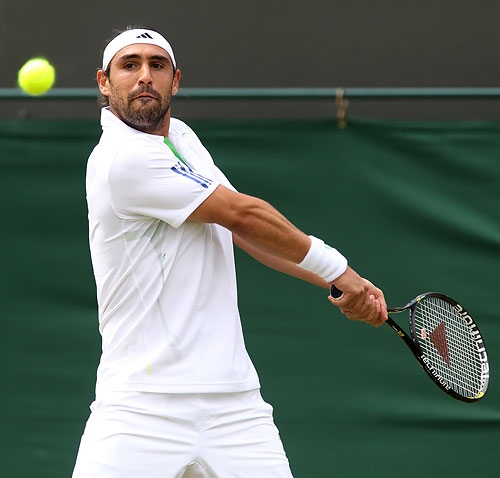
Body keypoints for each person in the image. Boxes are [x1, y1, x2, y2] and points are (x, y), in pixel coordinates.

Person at [72, 26, 388, 478]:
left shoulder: (181, 138)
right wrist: (341, 270)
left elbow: (243, 234)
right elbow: (243, 215)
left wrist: (341, 285)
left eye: (157, 65)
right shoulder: (121, 159)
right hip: (140, 406)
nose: (144, 76)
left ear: (175, 81)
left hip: (235, 407)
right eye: (130, 65)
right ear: (104, 82)